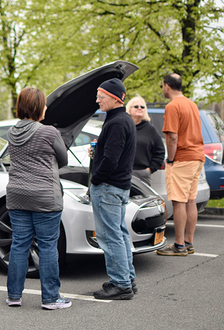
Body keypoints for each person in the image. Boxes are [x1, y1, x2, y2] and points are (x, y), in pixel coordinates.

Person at [5, 87, 71, 310]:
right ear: (37, 107)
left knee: (19, 244)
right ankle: (51, 298)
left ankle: (14, 295)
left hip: (17, 195)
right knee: (48, 247)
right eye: (43, 104)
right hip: (45, 196)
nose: (46, 107)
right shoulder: (50, 132)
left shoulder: (11, 132)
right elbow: (63, 160)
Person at [90, 78, 137, 300]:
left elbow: (111, 160)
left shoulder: (117, 123)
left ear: (115, 97)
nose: (97, 99)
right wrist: (97, 152)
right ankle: (127, 278)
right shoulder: (122, 120)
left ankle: (121, 284)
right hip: (118, 187)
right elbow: (111, 154)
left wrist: (95, 179)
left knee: (110, 237)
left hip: (108, 187)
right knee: (119, 234)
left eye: (101, 96)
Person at [156, 73, 204, 256]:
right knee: (191, 200)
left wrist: (170, 159)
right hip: (197, 156)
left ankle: (178, 245)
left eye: (162, 86)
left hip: (182, 158)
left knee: (178, 202)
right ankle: (189, 242)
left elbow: (172, 137)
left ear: (167, 86)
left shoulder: (172, 106)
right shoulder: (191, 104)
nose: (162, 89)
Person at [126, 96, 165, 186]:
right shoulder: (124, 127)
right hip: (123, 173)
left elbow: (160, 152)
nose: (139, 108)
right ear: (129, 109)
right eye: (136, 106)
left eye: (142, 107)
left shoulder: (150, 130)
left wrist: (149, 170)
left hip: (142, 174)